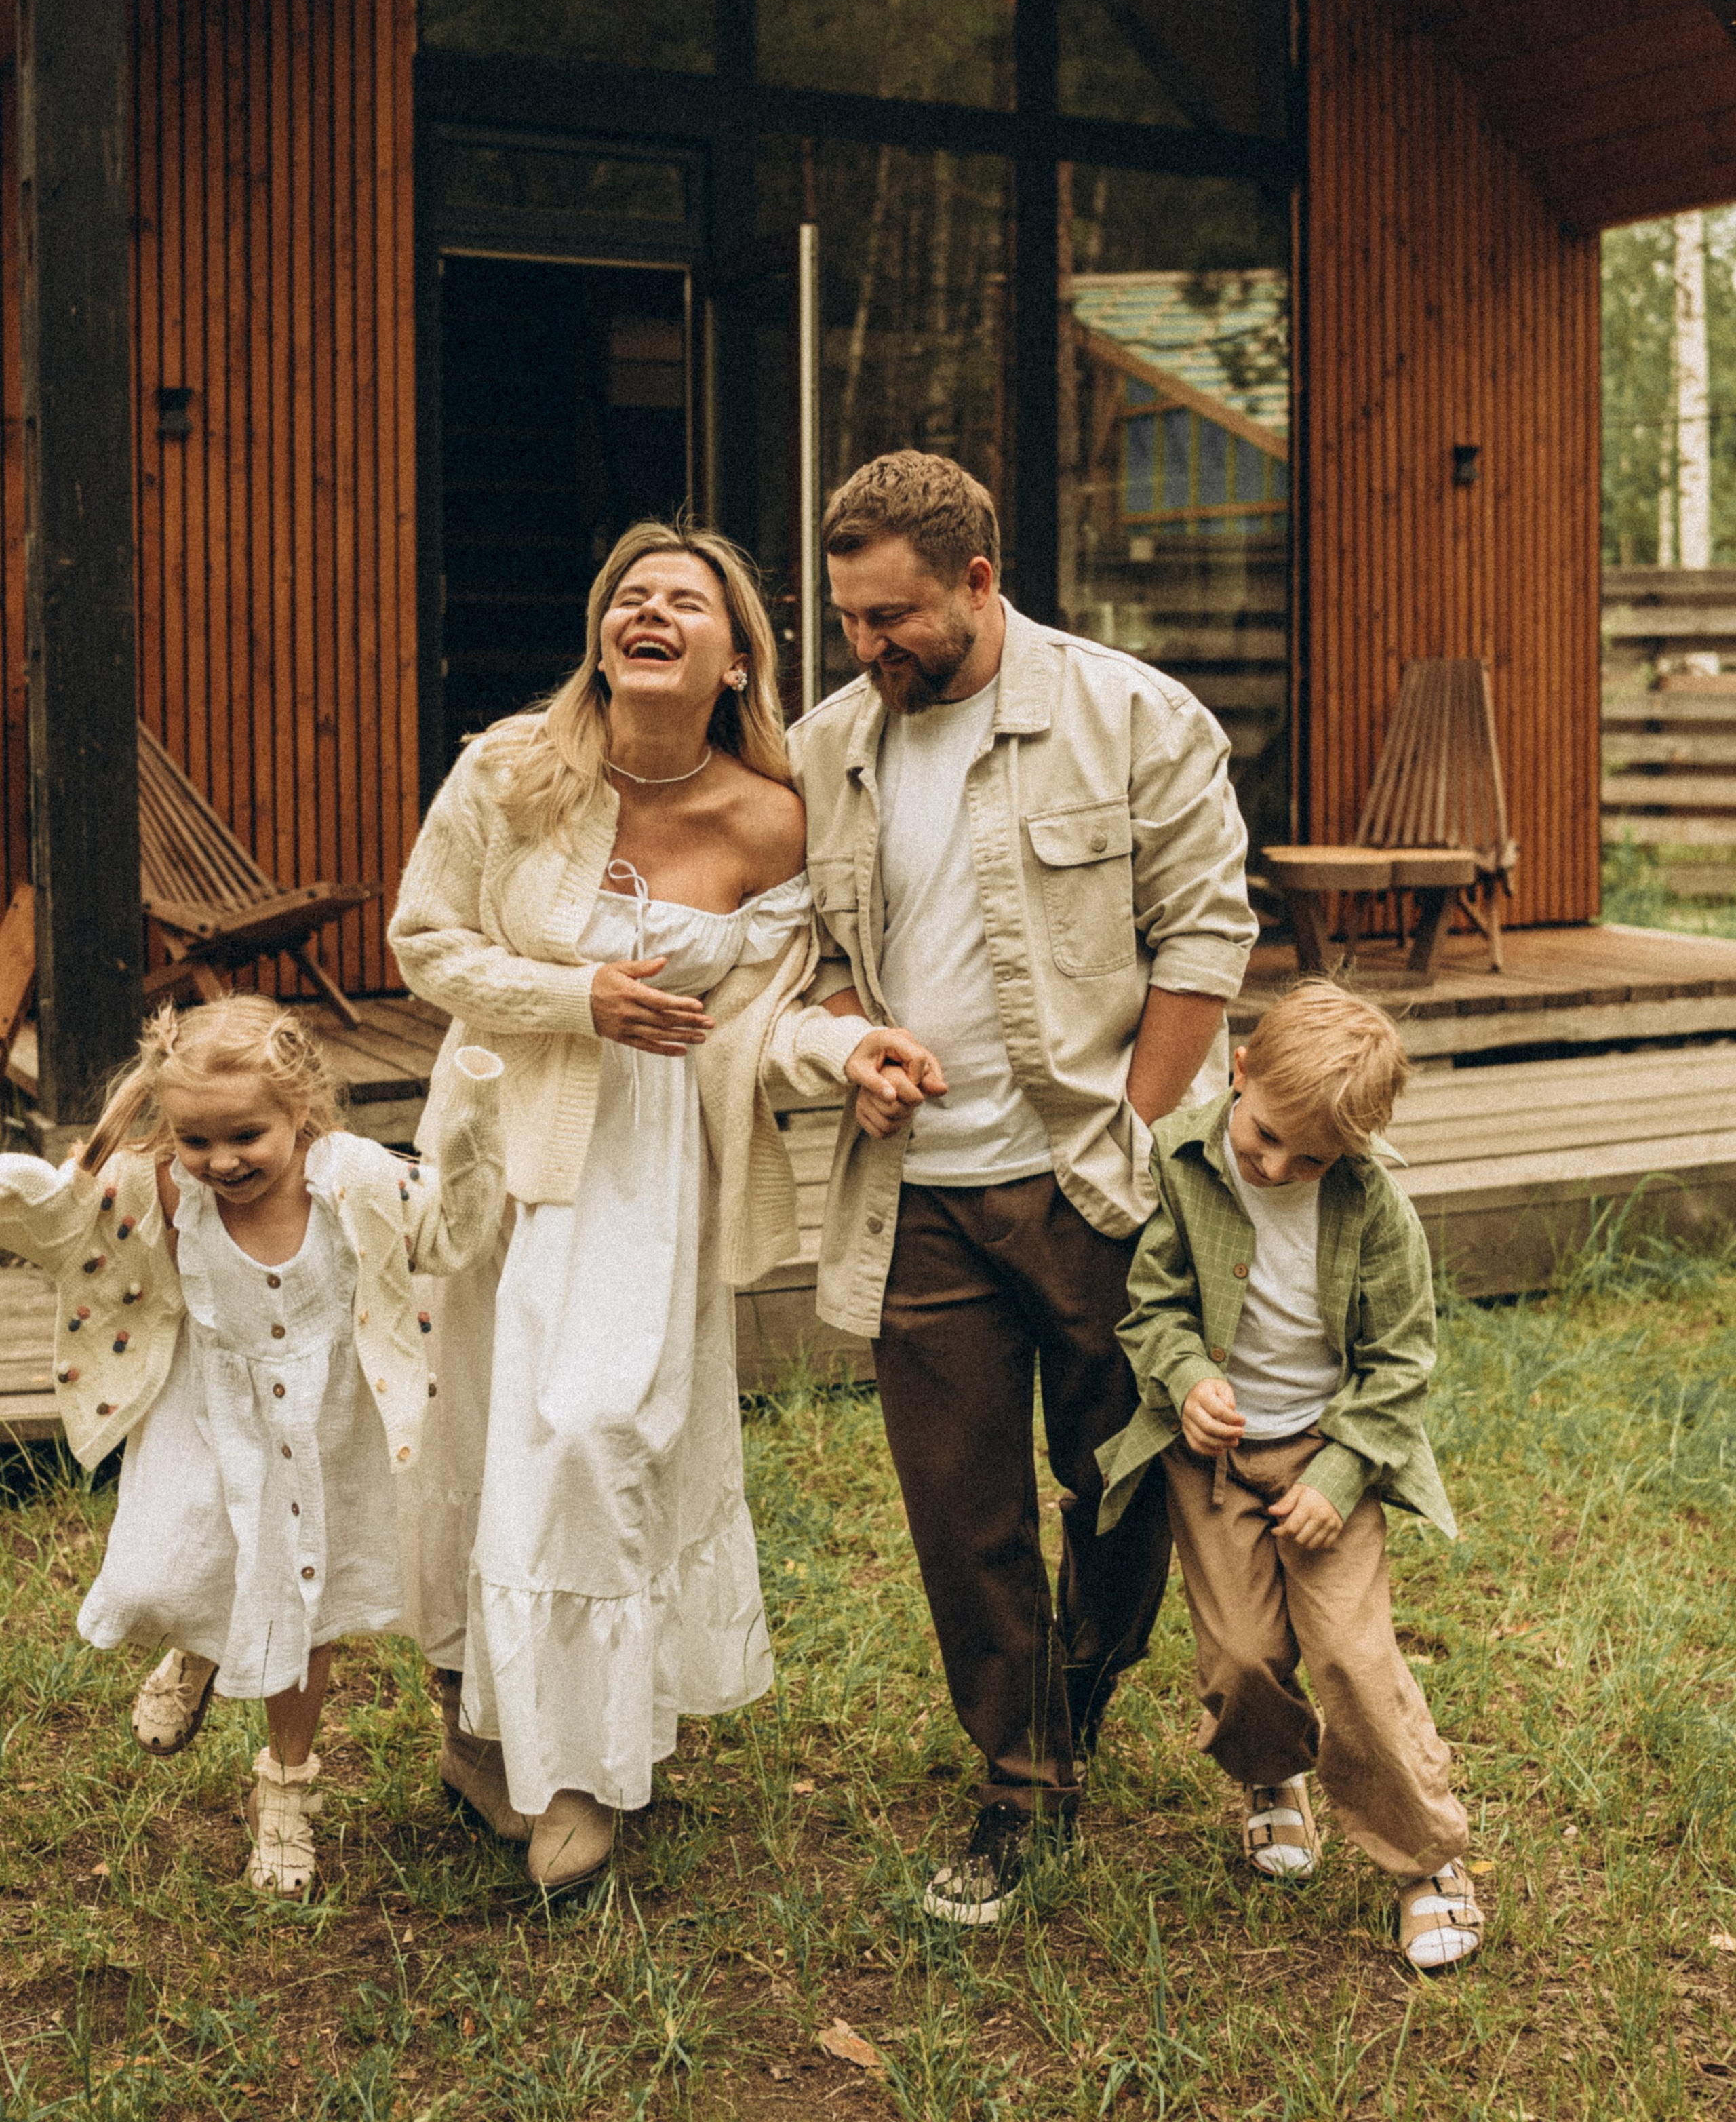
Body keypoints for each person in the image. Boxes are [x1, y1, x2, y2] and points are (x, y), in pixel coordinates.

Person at [389, 522, 934, 1895]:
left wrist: (846, 1053)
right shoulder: (510, 772)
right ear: (600, 635)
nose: (647, 610)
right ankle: (479, 1729)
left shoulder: (771, 819)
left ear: (735, 654)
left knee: (594, 1435)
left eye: (682, 601)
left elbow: (774, 1013)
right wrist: (576, 998)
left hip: (651, 1163)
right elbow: (422, 939)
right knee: (477, 1435)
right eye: (626, 595)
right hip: (503, 1140)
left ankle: (579, 1767)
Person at [789, 450, 1257, 1924]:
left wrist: (1131, 1135)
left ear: (978, 583)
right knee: (956, 1504)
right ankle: (1015, 1781)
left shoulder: (1132, 717)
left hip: (1094, 1176)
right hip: (915, 1188)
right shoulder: (827, 748)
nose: (868, 651)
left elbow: (1201, 943)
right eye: (848, 620)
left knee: (1116, 1480)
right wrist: (849, 1045)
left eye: (893, 619)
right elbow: (814, 964)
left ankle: (1078, 1691)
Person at [0, 994, 505, 1895]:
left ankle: (285, 1797)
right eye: (198, 1139)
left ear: (299, 1112)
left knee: (296, 1611)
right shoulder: (158, 1183)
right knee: (161, 1575)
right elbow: (58, 1234)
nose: (222, 1161)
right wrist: (35, 1191)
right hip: (205, 1417)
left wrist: (469, 1131)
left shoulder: (351, 1176)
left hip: (322, 1432)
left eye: (246, 1136)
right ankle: (196, 1647)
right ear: (170, 1127)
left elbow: (452, 1234)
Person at [1097, 979, 1483, 1971]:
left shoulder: (1372, 1206)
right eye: (1266, 1137)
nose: (1277, 1166)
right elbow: (1153, 1305)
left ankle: (1428, 1861)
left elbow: (1401, 1360)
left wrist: (1344, 1472)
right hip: (1216, 1459)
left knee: (1352, 1658)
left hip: (1328, 1454)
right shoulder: (1183, 1163)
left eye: (1311, 1158)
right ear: (1240, 1071)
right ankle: (1273, 1780)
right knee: (1239, 1658)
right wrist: (1185, 1382)